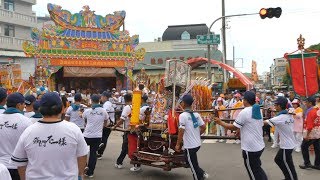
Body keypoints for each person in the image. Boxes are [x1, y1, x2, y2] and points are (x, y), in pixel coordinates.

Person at [10, 92, 88, 179]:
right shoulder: (74, 130)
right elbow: (82, 155)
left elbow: (20, 164)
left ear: (40, 109)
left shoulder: (29, 131)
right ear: (62, 108)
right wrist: (79, 175)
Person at [214, 91, 268, 180]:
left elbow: (234, 127)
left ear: (245, 101)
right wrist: (240, 130)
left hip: (250, 148)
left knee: (253, 172)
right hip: (259, 145)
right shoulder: (257, 109)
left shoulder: (245, 112)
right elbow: (250, 123)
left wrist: (220, 122)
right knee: (257, 169)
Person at [175, 95, 209, 180]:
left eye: (182, 102)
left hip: (190, 145)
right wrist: (197, 135)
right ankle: (202, 173)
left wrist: (178, 144)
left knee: (192, 165)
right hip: (197, 143)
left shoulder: (183, 116)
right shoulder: (196, 114)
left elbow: (181, 131)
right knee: (190, 161)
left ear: (184, 103)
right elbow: (204, 127)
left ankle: (199, 176)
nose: (181, 103)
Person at [0, 93, 32, 180]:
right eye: (23, 104)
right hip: (18, 167)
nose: (24, 106)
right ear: (18, 105)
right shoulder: (26, 121)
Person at [264, 96, 298, 180]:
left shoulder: (280, 117)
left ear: (279, 106)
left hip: (286, 146)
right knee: (285, 162)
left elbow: (264, 123)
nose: (275, 106)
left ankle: (290, 178)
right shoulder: (288, 114)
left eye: (275, 105)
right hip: (289, 144)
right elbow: (281, 114)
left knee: (281, 161)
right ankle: (290, 177)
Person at [82, 94, 109, 177]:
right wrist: (101, 126)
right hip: (97, 136)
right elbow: (106, 122)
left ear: (91, 100)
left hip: (86, 135)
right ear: (99, 100)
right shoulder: (103, 111)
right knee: (93, 154)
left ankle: (84, 168)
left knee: (82, 153)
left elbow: (85, 121)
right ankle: (90, 172)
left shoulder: (87, 111)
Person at [299, 96, 320, 170]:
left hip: (311, 133)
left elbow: (310, 125)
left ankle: (307, 163)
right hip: (317, 132)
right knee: (317, 148)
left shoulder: (311, 112)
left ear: (310, 103)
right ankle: (318, 164)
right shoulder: (318, 109)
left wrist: (307, 135)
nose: (305, 104)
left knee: (304, 147)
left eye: (306, 102)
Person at [113, 93, 132, 169]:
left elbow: (121, 120)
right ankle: (136, 164)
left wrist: (115, 126)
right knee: (130, 146)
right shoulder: (135, 105)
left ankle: (119, 162)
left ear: (124, 99)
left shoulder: (127, 107)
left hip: (128, 130)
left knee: (125, 147)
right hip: (133, 129)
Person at [97, 92, 114, 160]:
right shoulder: (108, 103)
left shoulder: (107, 104)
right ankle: (99, 152)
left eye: (101, 97)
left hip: (107, 124)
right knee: (103, 138)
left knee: (103, 138)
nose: (101, 98)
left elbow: (104, 113)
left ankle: (99, 153)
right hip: (108, 123)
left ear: (105, 97)